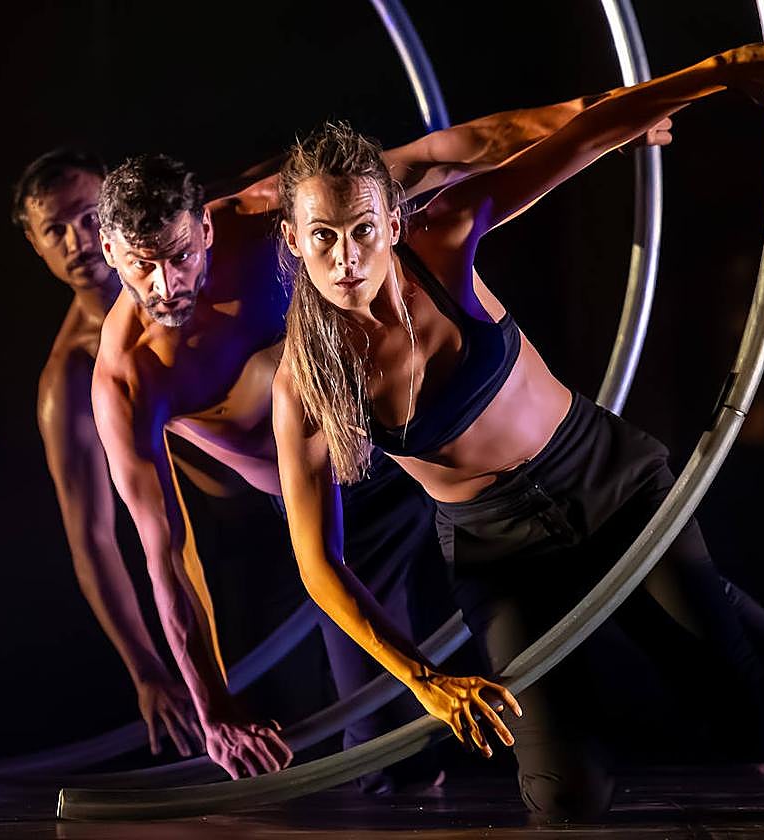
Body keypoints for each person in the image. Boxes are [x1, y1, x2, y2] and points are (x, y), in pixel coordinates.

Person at [270, 38, 764, 819]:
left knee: (746, 716)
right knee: (565, 801)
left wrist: (720, 75)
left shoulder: (445, 238)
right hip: (499, 554)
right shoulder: (303, 382)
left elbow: (586, 140)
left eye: (360, 229)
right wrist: (425, 677)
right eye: (321, 236)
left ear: (393, 221)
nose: (345, 256)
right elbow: (317, 565)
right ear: (293, 238)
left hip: (606, 483)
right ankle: (656, 717)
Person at [80, 94, 668, 785]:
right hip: (337, 506)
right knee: (393, 753)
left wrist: (602, 117)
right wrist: (214, 707)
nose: (165, 284)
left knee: (619, 604)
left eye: (178, 256)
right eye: (140, 266)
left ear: (204, 228)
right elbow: (168, 553)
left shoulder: (273, 217)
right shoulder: (126, 381)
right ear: (111, 253)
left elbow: (441, 157)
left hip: (433, 441)